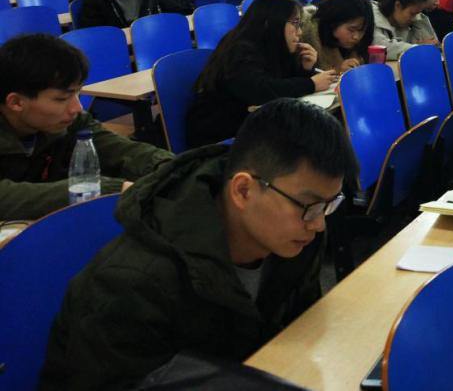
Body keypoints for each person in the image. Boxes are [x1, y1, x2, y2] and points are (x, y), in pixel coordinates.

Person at [40, 98, 359, 391]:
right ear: (243, 191)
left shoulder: (297, 238)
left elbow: (298, 334)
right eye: (309, 206)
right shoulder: (131, 285)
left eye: (329, 205)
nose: (319, 224)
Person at [0, 34, 171, 222]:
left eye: (77, 93)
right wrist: (102, 189)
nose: (77, 107)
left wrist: (173, 167)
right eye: (61, 99)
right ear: (16, 102)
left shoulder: (72, 121)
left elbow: (120, 149)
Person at [185, 0, 339, 149]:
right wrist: (311, 84)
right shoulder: (239, 49)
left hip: (255, 126)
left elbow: (282, 82)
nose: (299, 32)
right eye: (295, 24)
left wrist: (305, 69)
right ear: (270, 23)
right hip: (221, 137)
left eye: (300, 25)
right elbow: (261, 91)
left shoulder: (272, 45)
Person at [301, 0, 374, 73]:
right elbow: (308, 77)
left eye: (362, 31)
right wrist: (337, 72)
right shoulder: (309, 36)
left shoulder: (358, 47)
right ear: (334, 21)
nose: (356, 37)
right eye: (351, 29)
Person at [372, 0, 438, 61]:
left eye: (418, 13)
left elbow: (433, 44)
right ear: (398, 5)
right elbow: (381, 47)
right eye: (412, 14)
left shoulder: (411, 20)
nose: (414, 18)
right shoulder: (371, 16)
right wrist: (418, 48)